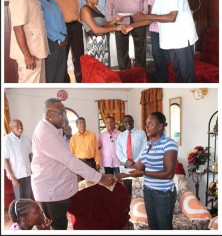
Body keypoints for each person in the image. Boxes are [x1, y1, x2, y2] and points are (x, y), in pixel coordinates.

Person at [31, 98, 116, 230]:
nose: (65, 117)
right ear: (49, 114)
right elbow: (70, 161)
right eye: (61, 113)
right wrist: (101, 178)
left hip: (61, 187)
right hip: (51, 193)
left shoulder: (54, 128)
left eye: (64, 112)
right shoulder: (45, 133)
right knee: (58, 227)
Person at [132, 0, 198, 83]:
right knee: (178, 72)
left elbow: (172, 17)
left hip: (182, 39)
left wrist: (144, 16)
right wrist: (130, 26)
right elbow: (153, 18)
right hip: (172, 40)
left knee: (187, 76)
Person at [120, 112, 178, 230]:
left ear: (160, 126)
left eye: (150, 123)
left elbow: (169, 174)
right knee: (153, 226)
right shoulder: (148, 144)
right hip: (148, 191)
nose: (146, 126)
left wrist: (144, 173)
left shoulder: (169, 144)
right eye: (146, 124)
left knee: (164, 226)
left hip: (163, 193)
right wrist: (120, 176)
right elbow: (138, 167)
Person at [9, 0, 49, 83]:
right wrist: (27, 56)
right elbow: (18, 28)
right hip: (29, 53)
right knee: (30, 86)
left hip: (37, 51)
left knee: (40, 85)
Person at [76, 0, 130, 67]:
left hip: (103, 44)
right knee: (96, 73)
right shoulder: (85, 10)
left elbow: (105, 25)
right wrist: (116, 28)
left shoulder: (96, 8)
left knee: (104, 71)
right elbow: (96, 30)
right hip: (94, 46)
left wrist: (116, 19)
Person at [106, 0, 148, 70]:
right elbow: (109, 2)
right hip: (120, 20)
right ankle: (125, 72)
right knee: (122, 49)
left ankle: (140, 71)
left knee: (140, 47)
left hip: (137, 19)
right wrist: (110, 21)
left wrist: (144, 15)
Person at [52, 0, 84, 83]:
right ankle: (65, 81)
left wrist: (80, 22)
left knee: (79, 55)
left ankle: (80, 79)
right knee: (63, 57)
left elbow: (77, 9)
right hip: (62, 28)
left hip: (76, 26)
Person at [36, 0, 68, 83]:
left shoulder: (54, 2)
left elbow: (61, 19)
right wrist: (60, 38)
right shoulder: (38, 4)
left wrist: (64, 34)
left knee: (61, 70)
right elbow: (44, 26)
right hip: (51, 42)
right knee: (51, 71)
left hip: (62, 41)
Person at [116, 115, 147, 196]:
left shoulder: (141, 133)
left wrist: (135, 162)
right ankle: (128, 205)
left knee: (139, 185)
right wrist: (126, 161)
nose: (128, 123)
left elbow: (144, 149)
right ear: (123, 123)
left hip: (138, 164)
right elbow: (118, 151)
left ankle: (138, 204)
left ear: (133, 121)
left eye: (129, 121)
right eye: (125, 122)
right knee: (126, 186)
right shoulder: (120, 136)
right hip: (125, 164)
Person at [4, 120, 32, 200]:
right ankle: (20, 213)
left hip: (27, 173)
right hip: (16, 175)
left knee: (28, 197)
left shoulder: (26, 138)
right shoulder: (7, 140)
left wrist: (32, 168)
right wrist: (12, 177)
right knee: (20, 199)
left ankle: (27, 213)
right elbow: (5, 160)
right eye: (17, 126)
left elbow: (30, 154)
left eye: (21, 125)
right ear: (11, 128)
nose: (20, 127)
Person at [148, 0, 169, 83]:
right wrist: (149, 22)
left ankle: (164, 75)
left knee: (165, 53)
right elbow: (150, 6)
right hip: (154, 26)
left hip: (166, 27)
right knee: (156, 52)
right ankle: (160, 74)